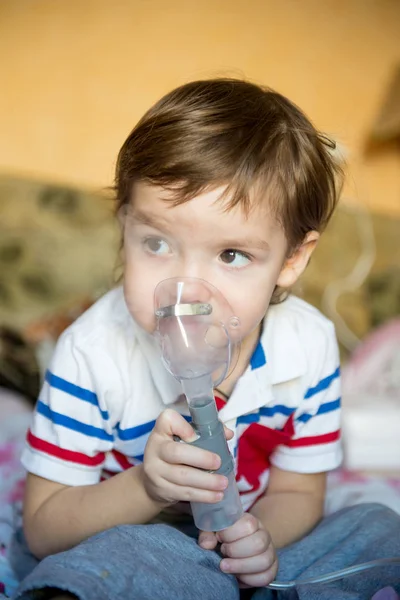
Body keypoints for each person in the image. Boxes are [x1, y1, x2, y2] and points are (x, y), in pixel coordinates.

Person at [11, 79, 400, 600]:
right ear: (123, 224)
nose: (188, 293)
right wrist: (147, 487)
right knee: (110, 563)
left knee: (376, 525)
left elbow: (298, 489)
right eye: (156, 242)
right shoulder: (93, 352)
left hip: (247, 556)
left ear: (291, 259)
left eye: (231, 255)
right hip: (132, 545)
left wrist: (260, 540)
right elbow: (43, 527)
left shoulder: (308, 346)